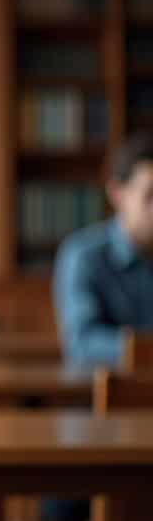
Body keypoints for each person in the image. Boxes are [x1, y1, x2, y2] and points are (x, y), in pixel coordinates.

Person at [54, 133, 153, 368]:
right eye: (150, 196)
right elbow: (82, 343)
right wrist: (145, 351)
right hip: (103, 399)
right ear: (118, 194)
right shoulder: (83, 256)